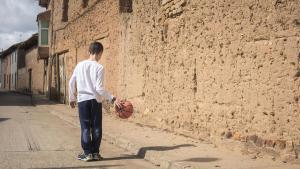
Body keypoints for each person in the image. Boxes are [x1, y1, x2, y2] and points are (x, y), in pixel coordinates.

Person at [69, 42, 122, 161]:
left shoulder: (79, 65)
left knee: (85, 127)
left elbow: (71, 82)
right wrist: (112, 98)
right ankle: (95, 153)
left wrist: (71, 98)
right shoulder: (99, 67)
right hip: (95, 100)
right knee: (96, 127)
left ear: (89, 51)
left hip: (82, 100)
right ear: (100, 53)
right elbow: (99, 88)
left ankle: (87, 153)